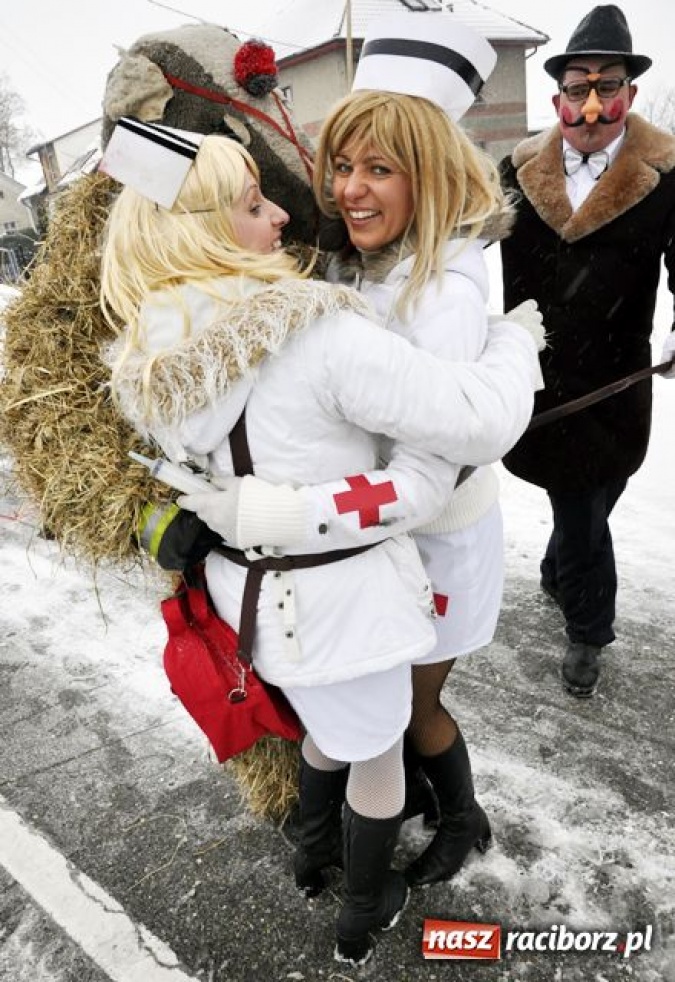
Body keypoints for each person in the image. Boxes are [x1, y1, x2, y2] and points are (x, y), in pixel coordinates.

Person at [99, 129, 541, 964]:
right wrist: (514, 340)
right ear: (197, 229)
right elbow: (473, 428)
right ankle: (365, 906)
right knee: (375, 743)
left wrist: (258, 513)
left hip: (253, 598)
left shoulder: (141, 352)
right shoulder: (314, 332)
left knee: (327, 723)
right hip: (342, 595)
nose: (281, 219)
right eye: (251, 205)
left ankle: (313, 851)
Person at [183, 12, 528, 889]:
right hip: (375, 539)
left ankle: (460, 818)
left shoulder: (443, 291)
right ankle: (391, 808)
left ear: (433, 177)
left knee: (412, 703)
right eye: (341, 167)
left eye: (379, 169)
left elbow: (429, 463)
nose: (348, 190)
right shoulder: (358, 261)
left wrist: (289, 509)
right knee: (377, 704)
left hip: (432, 533)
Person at [499, 4, 675, 699]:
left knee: (595, 498)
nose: (592, 103)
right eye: (578, 87)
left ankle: (556, 570)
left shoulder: (665, 178)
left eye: (607, 87)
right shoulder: (512, 172)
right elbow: (453, 243)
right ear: (557, 99)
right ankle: (587, 630)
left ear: (629, 96)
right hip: (535, 373)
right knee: (579, 511)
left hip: (617, 379)